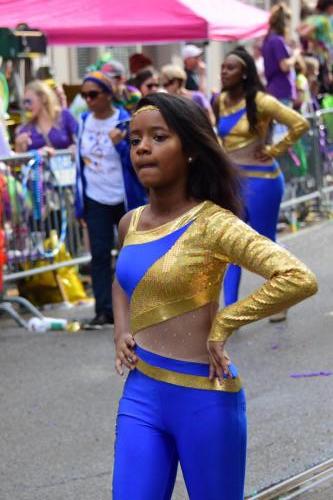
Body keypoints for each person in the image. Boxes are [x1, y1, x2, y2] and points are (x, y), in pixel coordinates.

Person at [111, 92, 317, 499]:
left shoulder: (215, 224)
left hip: (206, 400)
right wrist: (121, 330)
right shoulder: (129, 223)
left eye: (158, 137)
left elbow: (298, 277)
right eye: (135, 141)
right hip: (141, 394)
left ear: (189, 149)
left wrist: (224, 323)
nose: (143, 149)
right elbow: (121, 280)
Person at [215, 47, 310, 321]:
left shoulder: (261, 101)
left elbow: (300, 123)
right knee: (229, 245)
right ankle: (229, 311)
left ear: (244, 73)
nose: (224, 72)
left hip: (263, 182)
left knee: (264, 244)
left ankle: (282, 297)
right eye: (222, 67)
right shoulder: (219, 101)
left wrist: (274, 149)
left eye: (230, 68)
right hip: (233, 182)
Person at [75, 71, 146, 329]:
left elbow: (137, 161)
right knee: (100, 255)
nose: (88, 100)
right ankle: (104, 309)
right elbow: (78, 165)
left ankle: (137, 306)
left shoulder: (125, 121)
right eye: (84, 96)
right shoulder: (83, 121)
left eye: (93, 94)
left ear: (107, 95)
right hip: (95, 197)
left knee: (130, 252)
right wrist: (79, 202)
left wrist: (120, 145)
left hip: (123, 196)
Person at [15, 80, 77, 153]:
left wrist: (75, 148)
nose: (26, 106)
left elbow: (81, 140)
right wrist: (19, 147)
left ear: (43, 98)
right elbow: (20, 161)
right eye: (24, 102)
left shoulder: (64, 115)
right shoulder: (25, 129)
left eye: (29, 101)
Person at [262, 2, 297, 105]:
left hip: (272, 89)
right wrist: (295, 55)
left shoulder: (268, 40)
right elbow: (284, 66)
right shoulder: (277, 41)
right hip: (281, 90)